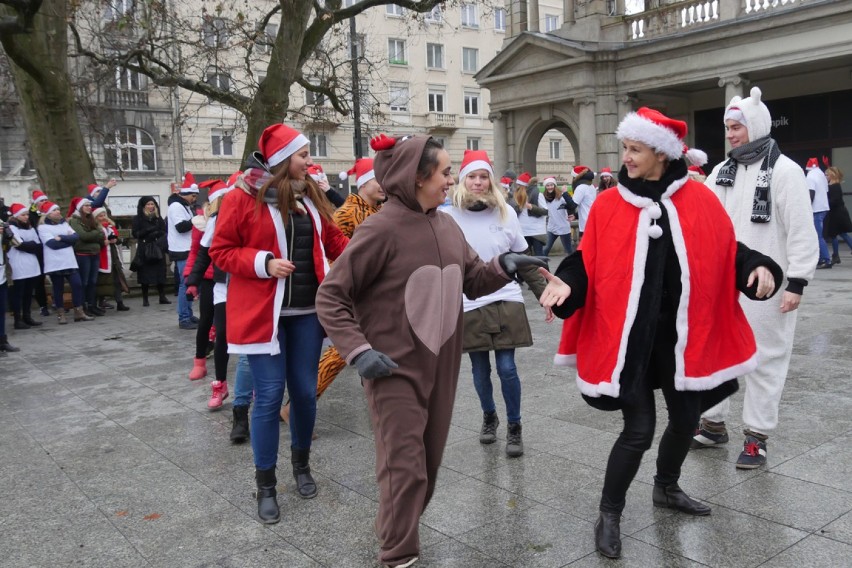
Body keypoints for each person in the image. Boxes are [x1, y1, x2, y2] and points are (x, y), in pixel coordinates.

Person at [539, 107, 782, 559]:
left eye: (634, 150)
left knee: (687, 420)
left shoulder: (700, 199)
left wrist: (758, 266)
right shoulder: (611, 204)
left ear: (661, 153)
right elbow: (584, 261)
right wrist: (567, 284)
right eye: (625, 148)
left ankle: (665, 488)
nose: (625, 158)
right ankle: (609, 513)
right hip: (631, 341)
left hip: (683, 339)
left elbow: (728, 248)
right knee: (639, 429)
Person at [315, 134, 545, 568]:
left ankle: (395, 525)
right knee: (405, 465)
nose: (451, 179)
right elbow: (331, 296)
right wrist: (360, 351)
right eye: (444, 172)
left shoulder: (446, 224)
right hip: (390, 369)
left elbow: (473, 278)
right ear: (417, 177)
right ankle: (399, 554)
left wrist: (504, 266)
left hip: (441, 365)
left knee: (429, 462)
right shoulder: (380, 228)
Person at [209, 123, 349, 524]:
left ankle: (302, 465)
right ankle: (265, 485)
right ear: (282, 159)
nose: (309, 161)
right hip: (261, 317)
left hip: (306, 314)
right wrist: (263, 263)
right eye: (303, 155)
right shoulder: (242, 198)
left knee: (305, 393)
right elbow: (221, 251)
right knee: (268, 396)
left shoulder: (311, 195)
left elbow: (337, 241)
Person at [693, 87, 820, 468]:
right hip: (722, 282)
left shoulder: (785, 171)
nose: (730, 134)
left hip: (769, 284)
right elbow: (704, 221)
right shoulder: (721, 171)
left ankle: (756, 437)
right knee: (716, 350)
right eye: (727, 127)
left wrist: (797, 282)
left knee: (765, 357)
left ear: (758, 126)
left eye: (737, 127)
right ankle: (713, 424)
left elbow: (801, 229)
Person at [446, 149, 546, 458]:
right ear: (463, 181)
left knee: (507, 367)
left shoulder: (507, 213)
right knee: (479, 370)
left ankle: (515, 426)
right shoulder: (447, 217)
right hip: (469, 301)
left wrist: (545, 294)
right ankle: (489, 417)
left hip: (506, 298)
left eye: (483, 177)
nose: (478, 183)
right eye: (472, 177)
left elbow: (524, 259)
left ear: (491, 180)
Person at [281, 158, 385, 424]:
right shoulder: (347, 212)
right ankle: (295, 406)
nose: (383, 185)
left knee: (375, 347)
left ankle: (380, 405)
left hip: (378, 295)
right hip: (355, 295)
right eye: (377, 179)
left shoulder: (380, 211)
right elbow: (328, 253)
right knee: (344, 351)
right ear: (363, 184)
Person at [186, 177, 236, 410]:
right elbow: (203, 252)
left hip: (251, 285)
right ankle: (221, 383)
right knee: (222, 333)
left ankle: (255, 386)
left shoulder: (258, 215)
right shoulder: (215, 220)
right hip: (222, 285)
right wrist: (193, 280)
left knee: (254, 338)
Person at [36, 201, 92, 324]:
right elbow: (52, 244)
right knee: (58, 288)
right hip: (55, 262)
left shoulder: (64, 224)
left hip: (69, 260)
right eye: (54, 210)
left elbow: (75, 237)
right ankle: (61, 314)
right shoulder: (43, 227)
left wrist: (62, 238)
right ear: (48, 214)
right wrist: (67, 240)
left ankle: (79, 311)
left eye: (58, 209)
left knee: (77, 284)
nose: (57, 212)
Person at [5, 203, 44, 329]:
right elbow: (19, 244)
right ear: (16, 216)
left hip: (31, 264)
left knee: (28, 292)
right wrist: (30, 245)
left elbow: (38, 244)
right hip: (18, 263)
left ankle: (27, 316)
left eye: (27, 214)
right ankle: (18, 318)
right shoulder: (10, 228)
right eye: (23, 215)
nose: (26, 217)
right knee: (18, 293)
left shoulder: (30, 227)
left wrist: (30, 245)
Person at [67, 197, 106, 317]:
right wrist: (96, 233)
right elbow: (83, 236)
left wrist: (95, 234)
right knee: (84, 281)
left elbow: (102, 234)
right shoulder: (75, 221)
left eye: (90, 205)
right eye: (86, 206)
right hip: (83, 254)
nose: (89, 207)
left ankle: (91, 305)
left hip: (94, 253)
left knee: (93, 282)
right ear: (80, 208)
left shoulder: (91, 219)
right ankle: (82, 306)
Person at [168, 173, 198, 328]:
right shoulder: (176, 207)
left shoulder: (184, 207)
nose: (195, 199)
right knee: (185, 284)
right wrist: (196, 220)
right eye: (193, 196)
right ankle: (184, 317)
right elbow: (181, 227)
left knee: (188, 283)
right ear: (186, 194)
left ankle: (188, 313)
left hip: (186, 248)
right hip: (181, 249)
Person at [131, 197, 169, 307]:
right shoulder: (138, 218)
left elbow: (163, 231)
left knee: (160, 273)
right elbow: (135, 233)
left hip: (157, 248)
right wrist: (148, 231)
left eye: (152, 204)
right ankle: (145, 298)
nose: (151, 206)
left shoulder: (158, 218)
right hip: (145, 248)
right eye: (148, 204)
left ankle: (162, 296)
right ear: (143, 206)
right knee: (145, 274)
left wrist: (159, 235)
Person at [93, 207, 130, 311]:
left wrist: (114, 239)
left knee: (117, 280)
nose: (103, 217)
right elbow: (96, 241)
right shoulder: (96, 228)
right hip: (102, 257)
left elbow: (117, 239)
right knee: (102, 281)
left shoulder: (110, 226)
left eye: (104, 215)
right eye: (100, 216)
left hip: (113, 256)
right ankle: (98, 303)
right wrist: (106, 241)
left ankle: (120, 302)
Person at [805, 158, 832, 269]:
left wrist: (806, 206)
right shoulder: (821, 174)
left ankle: (826, 259)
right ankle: (822, 258)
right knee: (818, 235)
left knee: (817, 236)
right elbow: (826, 191)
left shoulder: (810, 176)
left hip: (816, 209)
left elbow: (811, 193)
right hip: (824, 207)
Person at [28, 190, 50, 316]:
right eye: (41, 200)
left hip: (50, 249)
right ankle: (43, 305)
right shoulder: (30, 215)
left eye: (45, 200)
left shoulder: (50, 212)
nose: (44, 203)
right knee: (39, 279)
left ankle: (57, 303)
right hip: (39, 250)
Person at [824, 166, 852, 264]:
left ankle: (835, 256)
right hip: (837, 213)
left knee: (838, 234)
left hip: (838, 214)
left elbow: (835, 200)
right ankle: (835, 256)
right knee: (836, 234)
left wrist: (825, 203)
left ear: (831, 175)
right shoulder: (833, 185)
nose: (825, 176)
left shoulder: (834, 186)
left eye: (827, 175)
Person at [542, 179, 576, 256]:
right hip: (551, 228)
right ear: (545, 187)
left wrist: (565, 193)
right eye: (547, 185)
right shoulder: (543, 198)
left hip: (563, 228)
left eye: (551, 185)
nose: (550, 187)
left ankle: (573, 266)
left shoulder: (561, 197)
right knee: (546, 249)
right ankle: (543, 267)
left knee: (569, 250)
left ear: (555, 186)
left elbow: (571, 205)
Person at [515, 179, 548, 256]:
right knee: (526, 257)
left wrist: (531, 207)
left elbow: (545, 211)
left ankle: (545, 268)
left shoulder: (538, 194)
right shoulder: (517, 196)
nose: (517, 187)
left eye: (519, 185)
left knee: (539, 255)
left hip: (536, 232)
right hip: (523, 231)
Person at [571, 165, 597, 240]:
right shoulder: (591, 186)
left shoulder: (580, 188)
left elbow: (572, 205)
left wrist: (565, 193)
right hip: (591, 222)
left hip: (585, 225)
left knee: (583, 250)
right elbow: (587, 205)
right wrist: (576, 215)